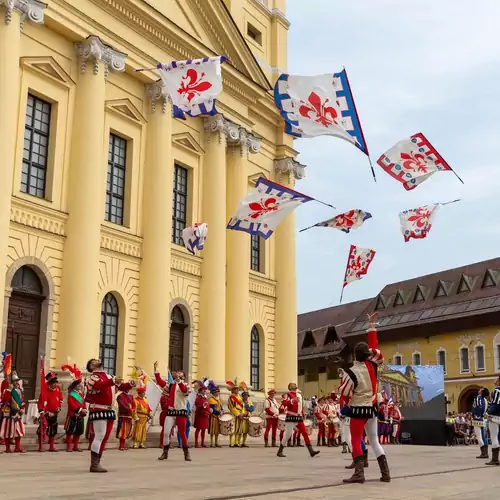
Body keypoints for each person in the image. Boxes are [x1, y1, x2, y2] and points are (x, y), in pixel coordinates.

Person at [339, 312, 390, 484]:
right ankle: (385, 473)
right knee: (374, 440)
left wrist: (345, 408)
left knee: (355, 438)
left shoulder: (351, 372)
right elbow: (374, 346)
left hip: (358, 408)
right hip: (372, 407)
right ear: (368, 355)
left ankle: (359, 474)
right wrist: (372, 327)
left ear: (354, 355)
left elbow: (345, 394)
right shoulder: (373, 366)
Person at [85, 357, 128, 473]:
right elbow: (97, 386)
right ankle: (94, 464)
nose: (97, 360)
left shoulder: (109, 376)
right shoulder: (93, 377)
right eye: (94, 361)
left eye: (97, 360)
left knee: (104, 437)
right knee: (99, 436)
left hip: (109, 410)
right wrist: (112, 381)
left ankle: (97, 462)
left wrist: (129, 384)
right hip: (98, 408)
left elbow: (119, 387)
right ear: (91, 367)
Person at [154, 362, 191, 462]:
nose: (177, 373)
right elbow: (161, 383)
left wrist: (178, 380)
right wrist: (156, 371)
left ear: (183, 376)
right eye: (177, 372)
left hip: (181, 411)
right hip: (171, 411)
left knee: (182, 433)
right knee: (166, 433)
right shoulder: (171, 385)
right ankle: (165, 452)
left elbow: (184, 391)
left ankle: (186, 453)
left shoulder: (186, 385)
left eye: (180, 373)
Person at [277, 382, 320, 459]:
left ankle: (311, 451)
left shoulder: (300, 395)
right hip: (291, 416)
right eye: (292, 384)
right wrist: (292, 400)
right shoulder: (288, 394)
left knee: (304, 432)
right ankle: (280, 450)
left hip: (299, 416)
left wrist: (302, 414)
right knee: (288, 434)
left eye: (295, 384)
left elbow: (300, 406)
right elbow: (284, 403)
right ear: (289, 387)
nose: (294, 385)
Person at [37, 370, 63, 452]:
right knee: (42, 429)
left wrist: (59, 408)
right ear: (49, 383)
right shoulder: (44, 390)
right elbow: (41, 402)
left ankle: (51, 446)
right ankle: (41, 446)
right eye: (53, 383)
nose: (55, 384)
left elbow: (60, 399)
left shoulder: (58, 389)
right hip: (46, 413)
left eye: (55, 382)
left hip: (54, 412)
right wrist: (43, 412)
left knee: (53, 430)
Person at [0, 371, 26, 453]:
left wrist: (22, 408)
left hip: (17, 413)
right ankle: (8, 448)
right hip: (9, 414)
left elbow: (21, 400)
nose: (16, 382)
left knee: (18, 431)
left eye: (17, 380)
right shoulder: (7, 390)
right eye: (14, 381)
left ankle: (17, 447)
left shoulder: (19, 390)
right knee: (8, 431)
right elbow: (4, 402)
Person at [65, 376, 87, 452]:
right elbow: (71, 405)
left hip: (80, 415)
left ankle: (75, 446)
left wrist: (84, 410)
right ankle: (69, 446)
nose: (80, 386)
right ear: (74, 386)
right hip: (73, 415)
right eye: (78, 385)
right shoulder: (71, 394)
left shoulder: (81, 395)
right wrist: (79, 410)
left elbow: (83, 404)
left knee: (78, 431)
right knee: (70, 431)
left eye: (80, 385)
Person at [116, 382, 136, 451]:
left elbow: (134, 404)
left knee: (127, 431)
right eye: (128, 388)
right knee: (122, 432)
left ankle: (123, 445)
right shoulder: (120, 396)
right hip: (123, 415)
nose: (129, 389)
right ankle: (121, 445)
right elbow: (122, 406)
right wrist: (130, 410)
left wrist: (133, 410)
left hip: (129, 416)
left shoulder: (130, 396)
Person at [486, 374, 500, 466]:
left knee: (494, 436)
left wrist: (488, 413)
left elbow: (495, 404)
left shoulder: (497, 390)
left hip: (495, 416)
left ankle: (495, 459)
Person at [472, 388, 489, 458]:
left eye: (481, 389)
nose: (479, 389)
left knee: (479, 436)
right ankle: (486, 453)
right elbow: (486, 409)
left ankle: (483, 453)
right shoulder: (485, 400)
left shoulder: (477, 398)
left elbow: (477, 408)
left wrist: (475, 416)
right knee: (484, 436)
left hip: (477, 419)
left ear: (481, 392)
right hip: (483, 419)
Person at [227, 379, 244, 448]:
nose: (237, 390)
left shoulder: (239, 397)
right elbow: (231, 407)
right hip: (234, 414)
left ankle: (237, 442)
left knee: (238, 429)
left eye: (238, 389)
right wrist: (238, 414)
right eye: (236, 389)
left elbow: (242, 406)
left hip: (240, 413)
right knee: (233, 428)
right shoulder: (231, 397)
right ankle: (231, 443)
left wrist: (242, 413)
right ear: (233, 390)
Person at [194, 383, 210, 448]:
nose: (204, 391)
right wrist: (203, 405)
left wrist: (209, 410)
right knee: (198, 429)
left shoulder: (205, 398)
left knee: (203, 429)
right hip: (199, 415)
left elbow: (207, 405)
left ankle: (202, 443)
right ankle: (196, 443)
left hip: (205, 415)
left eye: (205, 390)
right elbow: (197, 404)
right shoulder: (198, 397)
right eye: (203, 390)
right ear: (200, 391)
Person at [208, 382, 223, 448]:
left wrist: (222, 411)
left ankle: (216, 442)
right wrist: (218, 412)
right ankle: (211, 443)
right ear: (213, 393)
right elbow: (212, 409)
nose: (217, 393)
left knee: (217, 431)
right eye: (216, 392)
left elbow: (221, 406)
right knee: (212, 430)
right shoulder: (211, 400)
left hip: (218, 417)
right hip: (213, 416)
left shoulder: (218, 400)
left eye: (218, 392)